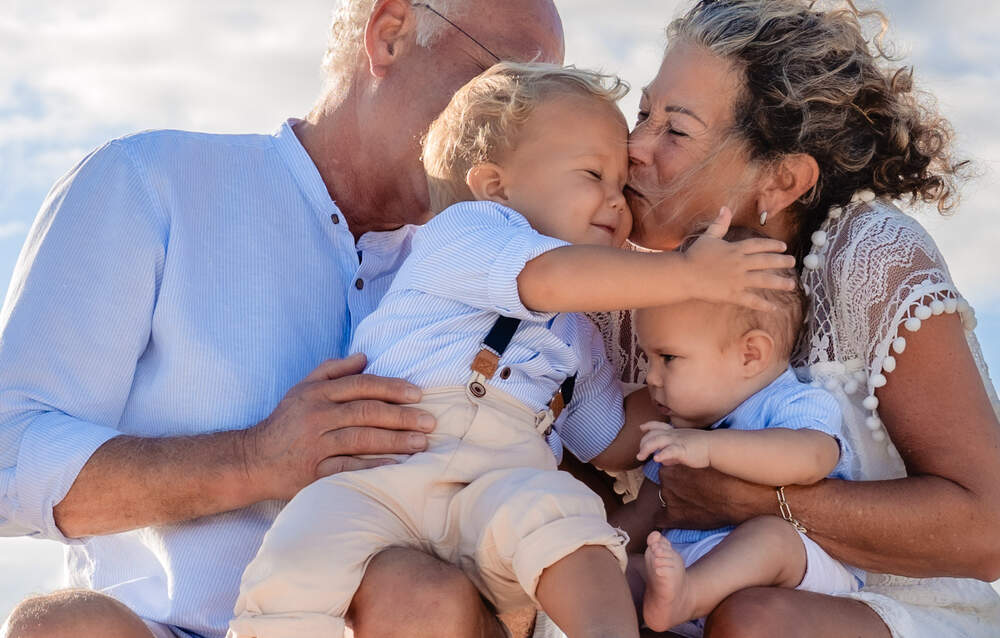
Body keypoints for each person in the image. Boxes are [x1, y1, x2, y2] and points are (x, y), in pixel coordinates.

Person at [0, 2, 567, 638]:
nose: (525, 132)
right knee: (62, 630)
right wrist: (253, 459)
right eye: (505, 86)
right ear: (390, 35)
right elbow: (8, 457)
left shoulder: (527, 281)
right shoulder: (149, 183)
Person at [228, 62, 797, 638]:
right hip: (389, 472)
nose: (617, 201)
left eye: (621, 183)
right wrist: (688, 275)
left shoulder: (578, 331)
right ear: (496, 185)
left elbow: (610, 439)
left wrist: (714, 380)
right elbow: (547, 278)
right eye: (593, 174)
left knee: (566, 521)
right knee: (301, 550)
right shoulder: (467, 234)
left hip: (503, 485)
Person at [600, 1, 1000, 636]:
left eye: (675, 131)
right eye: (643, 113)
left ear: (781, 180)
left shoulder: (871, 256)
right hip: (687, 592)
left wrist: (754, 500)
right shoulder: (621, 273)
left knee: (753, 619)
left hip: (897, 605)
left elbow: (987, 529)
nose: (634, 148)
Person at [613, 228, 861, 636]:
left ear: (751, 354)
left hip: (794, 577)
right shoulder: (682, 429)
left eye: (668, 358)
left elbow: (812, 457)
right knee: (615, 571)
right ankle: (677, 598)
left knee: (770, 538)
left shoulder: (789, 400)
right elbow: (646, 512)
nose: (651, 378)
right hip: (690, 565)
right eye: (646, 359)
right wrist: (592, 546)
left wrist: (709, 447)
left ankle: (686, 596)